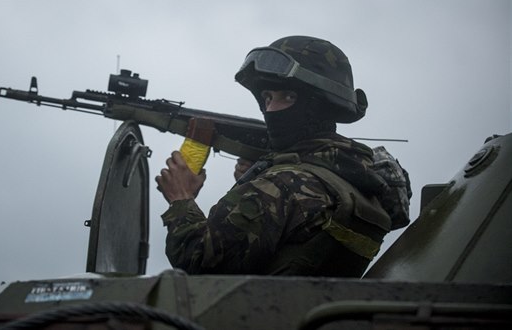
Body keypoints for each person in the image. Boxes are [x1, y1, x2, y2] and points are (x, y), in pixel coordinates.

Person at [155, 35, 410, 276]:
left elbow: (197, 262)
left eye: (287, 96)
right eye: (267, 96)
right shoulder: (357, 178)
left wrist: (181, 198)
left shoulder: (282, 186)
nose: (270, 108)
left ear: (318, 103)